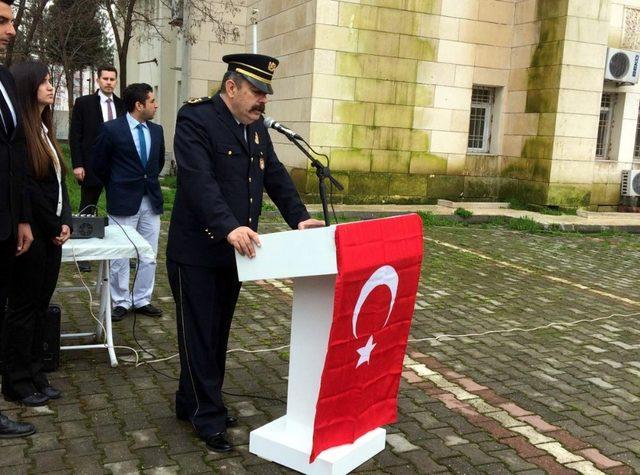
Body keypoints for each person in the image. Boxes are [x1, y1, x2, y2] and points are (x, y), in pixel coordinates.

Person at [166, 53, 323, 452]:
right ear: (231, 87)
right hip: (198, 249)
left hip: (234, 253)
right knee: (198, 334)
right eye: (256, 91)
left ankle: (194, 401)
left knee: (216, 332)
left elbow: (275, 175)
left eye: (266, 93)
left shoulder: (254, 127)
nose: (263, 101)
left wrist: (299, 219)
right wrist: (227, 224)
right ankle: (208, 416)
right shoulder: (196, 120)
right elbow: (200, 182)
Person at [3, 61, 71, 407]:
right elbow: (27, 188)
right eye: (44, 82)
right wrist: (52, 224)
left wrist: (68, 221)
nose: (51, 86)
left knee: (40, 306)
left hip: (52, 234)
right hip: (35, 235)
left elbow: (61, 185)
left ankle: (35, 372)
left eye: (51, 81)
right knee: (23, 308)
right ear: (29, 87)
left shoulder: (45, 130)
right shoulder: (22, 135)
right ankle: (16, 380)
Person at [93, 83, 164, 322]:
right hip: (123, 201)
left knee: (149, 253)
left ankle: (142, 298)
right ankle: (120, 301)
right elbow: (100, 164)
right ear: (138, 105)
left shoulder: (157, 131)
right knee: (120, 255)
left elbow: (158, 162)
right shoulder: (111, 129)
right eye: (152, 101)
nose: (156, 105)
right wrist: (116, 184)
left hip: (150, 201)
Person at [0, 0, 36, 437]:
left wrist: (23, 217)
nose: (11, 31)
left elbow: (14, 154)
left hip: (7, 225)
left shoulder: (6, 80)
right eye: (3, 22)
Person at [69, 65, 124, 272]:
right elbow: (76, 136)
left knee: (118, 209)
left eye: (112, 79)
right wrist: (77, 164)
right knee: (87, 208)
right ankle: (83, 254)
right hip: (90, 165)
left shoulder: (122, 105)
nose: (109, 82)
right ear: (98, 80)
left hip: (116, 166)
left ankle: (119, 250)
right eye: (105, 79)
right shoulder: (84, 103)